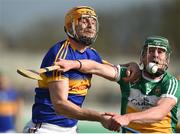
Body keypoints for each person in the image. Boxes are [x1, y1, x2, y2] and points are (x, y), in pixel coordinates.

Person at [23, 6, 139, 133]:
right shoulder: (60, 54)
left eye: (93, 22)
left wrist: (131, 65)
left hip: (71, 129)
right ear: (70, 26)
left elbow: (112, 70)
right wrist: (99, 117)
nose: (90, 26)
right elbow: (60, 105)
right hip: (46, 129)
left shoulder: (92, 55)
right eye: (84, 21)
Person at [55, 36, 180, 133]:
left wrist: (127, 118)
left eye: (161, 51)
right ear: (142, 57)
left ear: (167, 59)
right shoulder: (130, 75)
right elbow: (97, 67)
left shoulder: (170, 83)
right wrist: (73, 64)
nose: (155, 55)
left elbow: (160, 112)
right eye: (151, 51)